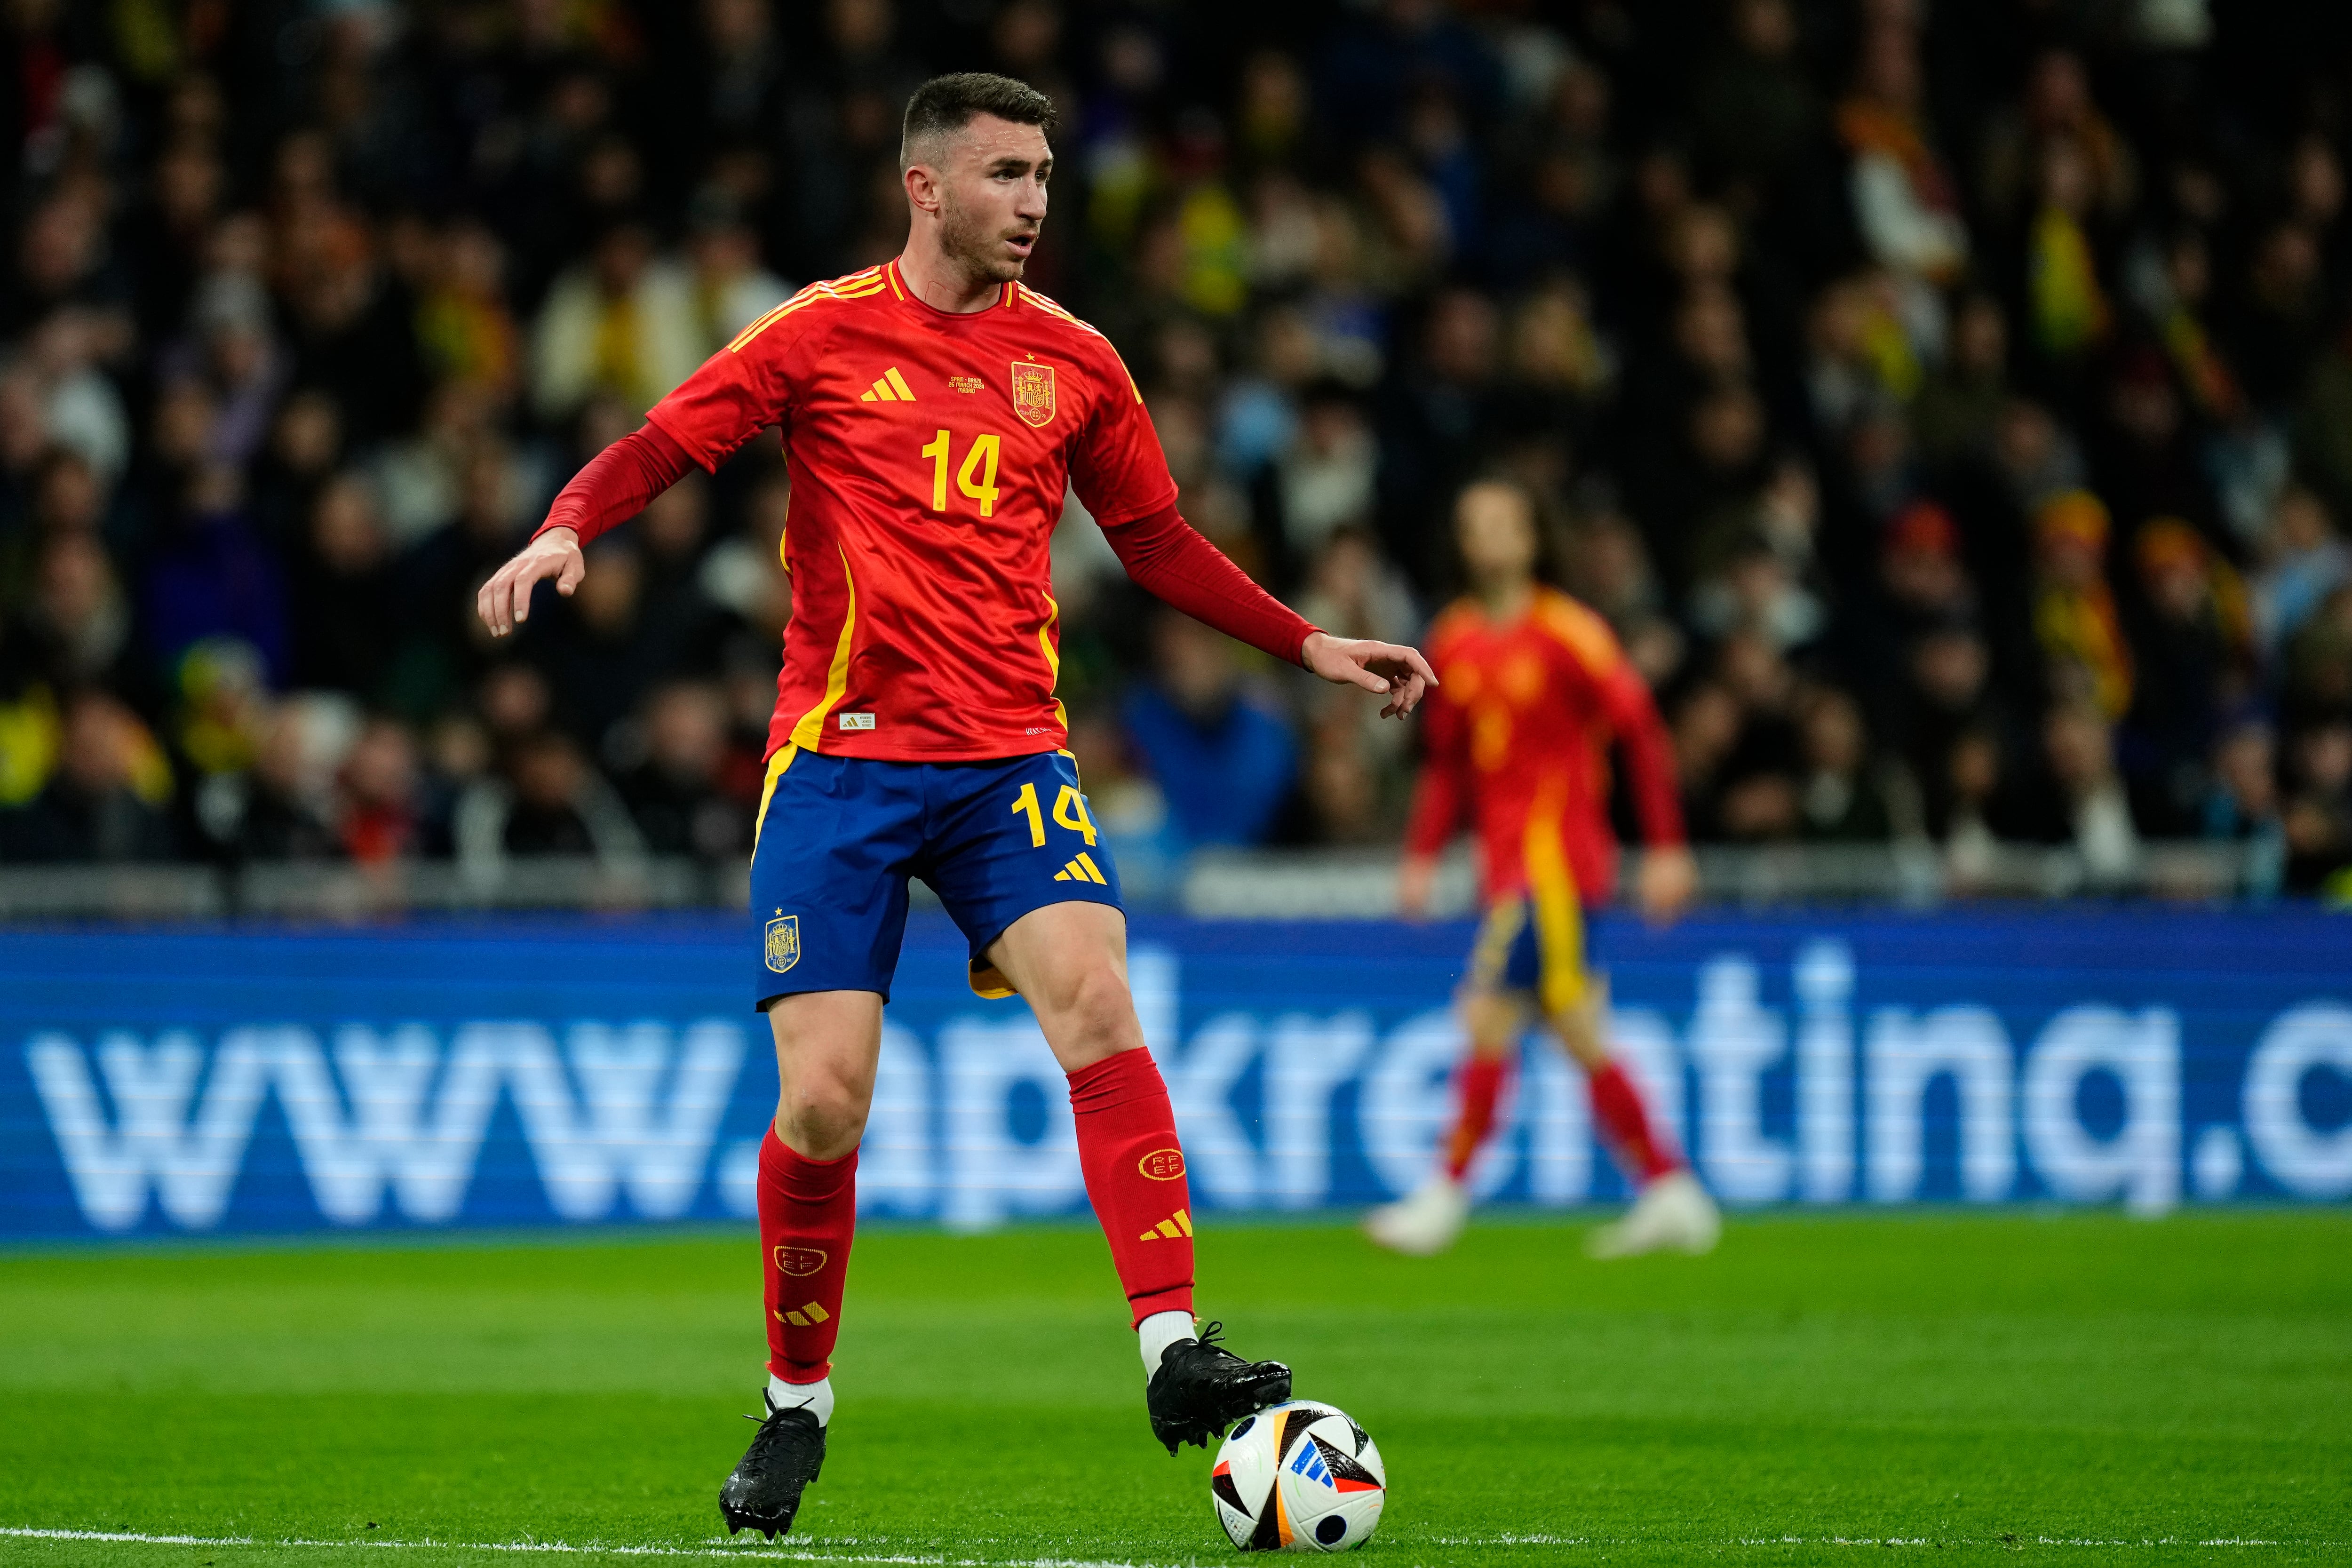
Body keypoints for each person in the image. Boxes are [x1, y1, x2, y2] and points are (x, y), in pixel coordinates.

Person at [472, 74, 1435, 1542]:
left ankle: (1176, 1352)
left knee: (1101, 1003)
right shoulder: (819, 329)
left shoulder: (1080, 363)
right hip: (841, 766)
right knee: (823, 1098)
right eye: (1006, 174)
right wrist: (565, 528)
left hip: (1009, 764)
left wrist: (1307, 641)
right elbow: (668, 437)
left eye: (1045, 173)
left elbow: (1158, 538)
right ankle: (797, 1404)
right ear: (926, 186)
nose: (1036, 201)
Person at [1366, 478, 1718, 1260]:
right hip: (1504, 868)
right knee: (1576, 1026)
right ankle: (1671, 1188)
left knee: (1488, 1012)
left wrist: (1665, 845)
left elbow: (1640, 733)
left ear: (1532, 538)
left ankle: (1445, 1194)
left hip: (1555, 865)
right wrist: (1422, 858)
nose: (1487, 539)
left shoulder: (1571, 632)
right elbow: (1447, 767)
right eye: (1473, 526)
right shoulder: (1452, 640)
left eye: (1502, 524)